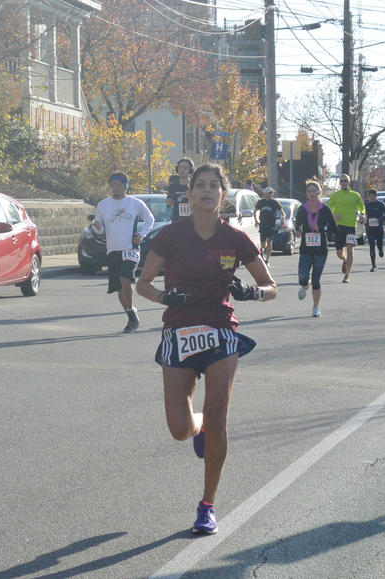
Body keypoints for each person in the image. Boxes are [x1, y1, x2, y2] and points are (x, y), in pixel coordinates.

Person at [135, 163, 277, 536]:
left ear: (223, 195)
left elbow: (270, 285)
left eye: (214, 186)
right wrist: (166, 296)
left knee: (218, 418)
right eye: (201, 185)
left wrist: (253, 292)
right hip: (179, 331)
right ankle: (197, 427)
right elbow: (143, 284)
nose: (207, 191)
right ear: (190, 193)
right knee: (180, 429)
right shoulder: (170, 236)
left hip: (220, 330)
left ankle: (207, 505)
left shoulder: (235, 238)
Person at [93, 171, 156, 332]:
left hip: (131, 248)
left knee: (125, 278)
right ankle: (131, 313)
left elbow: (150, 219)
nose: (115, 188)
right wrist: (98, 227)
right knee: (118, 286)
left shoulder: (134, 203)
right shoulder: (102, 205)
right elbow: (99, 228)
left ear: (125, 186)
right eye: (112, 184)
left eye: (119, 184)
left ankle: (132, 316)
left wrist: (141, 235)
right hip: (113, 249)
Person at [294, 179, 338, 316]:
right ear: (306, 194)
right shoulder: (302, 209)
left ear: (319, 192)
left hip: (320, 249)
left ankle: (316, 308)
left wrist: (323, 228)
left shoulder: (325, 210)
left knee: (316, 280)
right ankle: (305, 285)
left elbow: (333, 227)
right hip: (306, 249)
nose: (312, 193)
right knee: (302, 278)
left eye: (314, 191)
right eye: (309, 191)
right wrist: (298, 230)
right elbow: (298, 223)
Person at [327, 174, 365, 283]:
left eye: (346, 181)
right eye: (342, 181)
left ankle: (347, 275)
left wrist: (362, 214)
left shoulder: (355, 195)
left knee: (350, 249)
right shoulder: (335, 195)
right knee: (339, 252)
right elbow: (328, 208)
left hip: (351, 226)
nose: (343, 182)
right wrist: (332, 217)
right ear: (340, 183)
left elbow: (361, 206)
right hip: (339, 226)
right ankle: (345, 260)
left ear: (349, 183)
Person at [363, 189, 385, 272]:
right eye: (370, 196)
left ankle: (381, 250)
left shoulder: (380, 204)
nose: (372, 197)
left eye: (373, 196)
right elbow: (362, 213)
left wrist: (381, 219)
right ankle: (373, 265)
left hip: (379, 229)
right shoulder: (366, 204)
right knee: (371, 247)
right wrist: (362, 218)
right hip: (370, 229)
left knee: (379, 244)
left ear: (376, 196)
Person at [254, 187, 283, 264]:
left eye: (271, 193)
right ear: (265, 194)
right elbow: (255, 211)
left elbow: (282, 212)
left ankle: (267, 260)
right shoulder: (260, 202)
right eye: (269, 193)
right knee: (263, 243)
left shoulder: (275, 202)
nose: (271, 195)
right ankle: (263, 250)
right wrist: (256, 220)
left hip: (271, 224)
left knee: (269, 241)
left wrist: (282, 219)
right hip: (263, 224)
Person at [167, 157, 195, 222]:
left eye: (185, 168)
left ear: (190, 170)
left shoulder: (194, 186)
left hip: (192, 221)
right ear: (177, 169)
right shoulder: (172, 186)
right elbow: (169, 205)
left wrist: (191, 199)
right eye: (180, 168)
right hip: (177, 220)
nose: (182, 170)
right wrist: (169, 202)